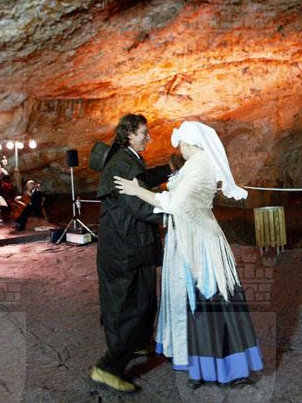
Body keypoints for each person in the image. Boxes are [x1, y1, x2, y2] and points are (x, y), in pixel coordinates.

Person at [114, 121, 263, 387]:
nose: (179, 149)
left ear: (187, 143)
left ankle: (226, 369)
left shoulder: (200, 164)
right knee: (189, 300)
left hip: (199, 242)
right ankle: (202, 364)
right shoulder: (195, 164)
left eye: (180, 144)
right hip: (185, 239)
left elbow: (176, 203)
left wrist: (137, 191)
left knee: (207, 299)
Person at [91, 113, 172, 393]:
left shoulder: (127, 159)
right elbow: (139, 206)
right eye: (144, 133)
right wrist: (174, 213)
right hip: (126, 251)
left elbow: (143, 181)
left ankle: (135, 344)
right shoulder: (123, 164)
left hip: (128, 247)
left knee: (140, 303)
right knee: (133, 308)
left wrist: (169, 168)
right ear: (128, 135)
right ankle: (107, 368)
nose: (149, 137)